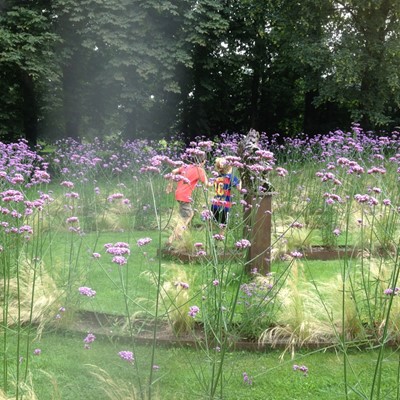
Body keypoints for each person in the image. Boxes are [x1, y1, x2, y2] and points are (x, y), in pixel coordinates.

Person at [166, 153, 208, 246]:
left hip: (178, 194)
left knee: (186, 215)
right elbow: (207, 184)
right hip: (185, 196)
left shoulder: (186, 166)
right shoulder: (200, 170)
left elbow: (173, 171)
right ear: (203, 161)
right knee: (187, 215)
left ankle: (177, 236)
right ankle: (173, 237)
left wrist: (170, 184)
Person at [210, 157, 241, 231]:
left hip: (215, 204)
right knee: (223, 226)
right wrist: (240, 181)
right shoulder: (230, 177)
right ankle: (220, 238)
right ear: (230, 168)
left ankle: (214, 237)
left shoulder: (216, 178)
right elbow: (239, 188)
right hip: (225, 205)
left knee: (215, 222)